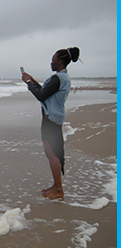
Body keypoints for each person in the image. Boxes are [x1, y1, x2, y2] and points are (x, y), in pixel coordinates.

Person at [22, 47, 80, 198]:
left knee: (52, 153)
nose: (51, 63)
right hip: (55, 117)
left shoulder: (58, 78)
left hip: (51, 119)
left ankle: (59, 189)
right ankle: (56, 185)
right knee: (55, 152)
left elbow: (41, 95)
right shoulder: (62, 78)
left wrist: (28, 82)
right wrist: (33, 80)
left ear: (60, 62)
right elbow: (46, 92)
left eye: (53, 60)